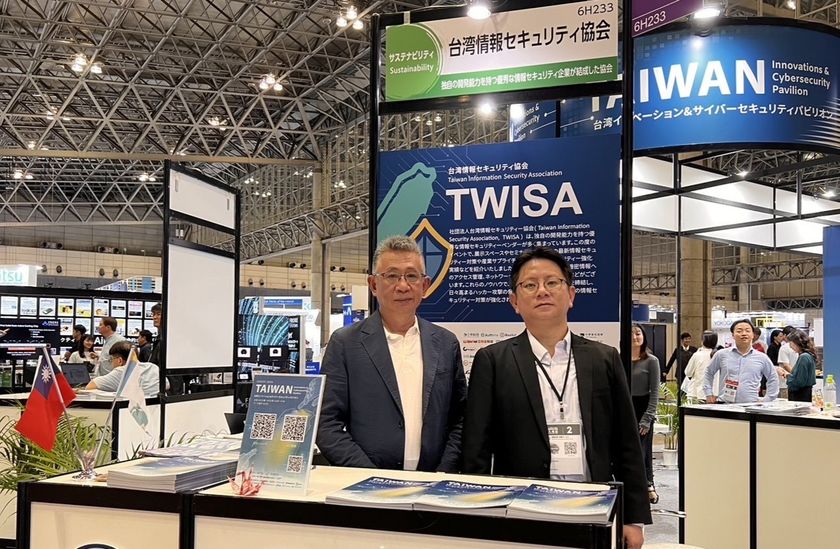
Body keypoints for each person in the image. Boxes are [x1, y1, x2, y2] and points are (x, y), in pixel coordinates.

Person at [462, 247, 650, 548]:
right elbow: (476, 451)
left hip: (594, 506)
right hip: (520, 513)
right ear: (514, 302)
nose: (542, 291)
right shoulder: (493, 361)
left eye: (552, 282)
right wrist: (480, 518)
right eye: (530, 284)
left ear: (571, 294)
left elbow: (627, 443)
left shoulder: (604, 358)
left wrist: (633, 517)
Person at [316, 236, 467, 473]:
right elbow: (326, 423)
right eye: (392, 276)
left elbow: (461, 418)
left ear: (425, 285)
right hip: (364, 482)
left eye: (412, 276)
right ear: (373, 285)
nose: (403, 286)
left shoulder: (446, 343)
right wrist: (369, 476)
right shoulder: (345, 343)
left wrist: (443, 472)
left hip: (433, 481)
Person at [704, 319, 779, 404]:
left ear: (753, 335)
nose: (744, 334)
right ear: (733, 335)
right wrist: (708, 393)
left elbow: (773, 377)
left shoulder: (762, 358)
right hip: (725, 404)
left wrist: (768, 399)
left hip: (751, 405)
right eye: (739, 331)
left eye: (747, 331)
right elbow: (708, 372)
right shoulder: (721, 354)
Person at [630, 324, 660, 505]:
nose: (635, 337)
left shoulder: (651, 360)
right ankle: (639, 487)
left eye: (638, 333)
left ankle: (648, 485)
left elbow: (655, 392)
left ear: (644, 336)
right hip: (626, 408)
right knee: (631, 452)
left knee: (643, 451)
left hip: (644, 409)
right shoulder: (620, 358)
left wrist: (647, 418)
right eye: (631, 334)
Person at [86, 341, 160, 397]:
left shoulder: (122, 371)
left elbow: (90, 387)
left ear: (120, 361)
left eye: (111, 359)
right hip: (157, 410)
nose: (111, 363)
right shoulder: (152, 367)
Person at [683, 331, 719, 403]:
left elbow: (688, 372)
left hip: (697, 393)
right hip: (714, 395)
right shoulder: (719, 355)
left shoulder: (697, 355)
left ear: (703, 341)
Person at [786, 330, 817, 403]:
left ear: (797, 342)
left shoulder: (804, 357)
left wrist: (786, 375)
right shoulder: (808, 355)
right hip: (805, 394)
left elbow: (799, 381)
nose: (790, 346)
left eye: (791, 343)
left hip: (800, 395)